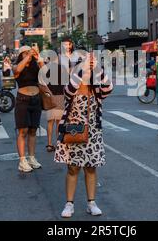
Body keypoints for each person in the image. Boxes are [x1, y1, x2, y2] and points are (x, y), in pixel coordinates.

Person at [55, 52, 113, 218]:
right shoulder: (70, 85)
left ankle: (91, 203)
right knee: (72, 169)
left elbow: (109, 87)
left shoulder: (95, 88)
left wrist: (97, 67)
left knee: (91, 168)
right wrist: (83, 67)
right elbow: (71, 89)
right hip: (73, 130)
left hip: (93, 132)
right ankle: (69, 204)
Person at [13, 45, 44, 172]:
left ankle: (31, 157)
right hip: (22, 100)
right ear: (20, 55)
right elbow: (17, 70)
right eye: (25, 53)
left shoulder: (35, 66)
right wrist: (28, 56)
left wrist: (39, 58)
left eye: (29, 52)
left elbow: (47, 74)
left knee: (33, 130)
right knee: (23, 131)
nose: (28, 54)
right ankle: (22, 160)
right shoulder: (16, 66)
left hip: (36, 99)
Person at [41, 55, 67, 153]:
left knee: (50, 122)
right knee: (59, 122)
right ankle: (58, 143)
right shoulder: (63, 69)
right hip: (60, 96)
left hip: (50, 96)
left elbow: (43, 83)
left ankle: (49, 144)